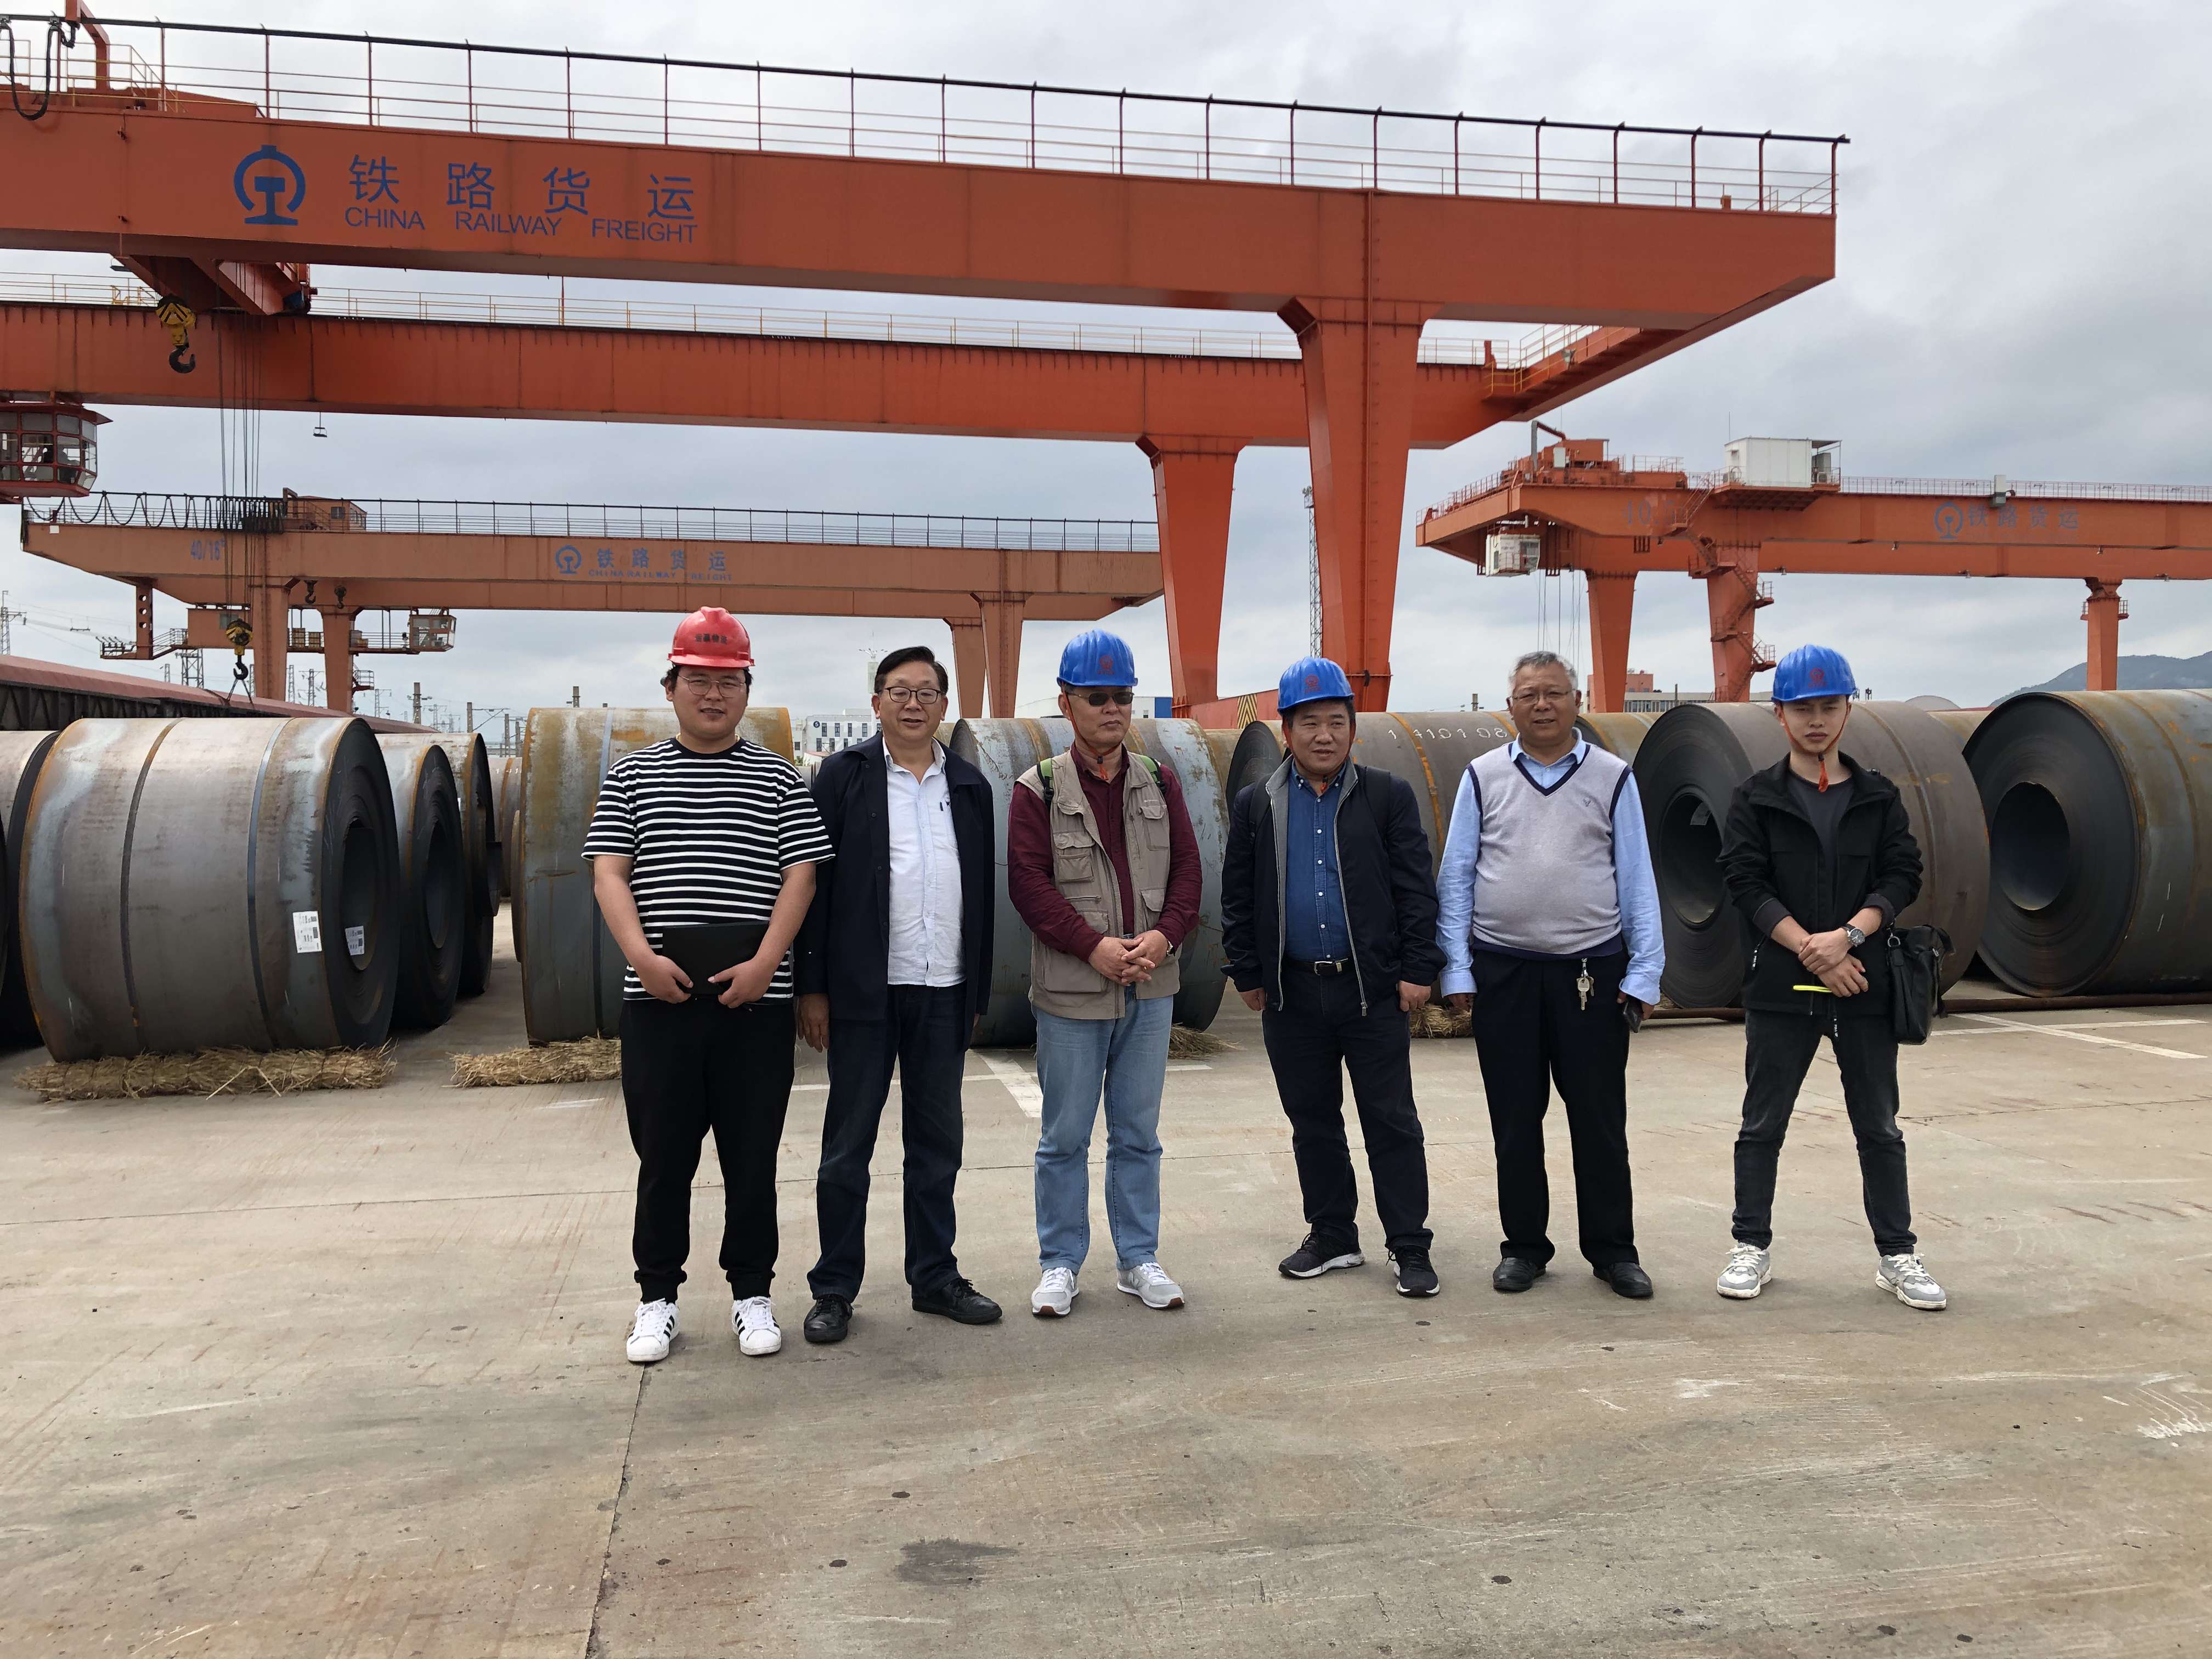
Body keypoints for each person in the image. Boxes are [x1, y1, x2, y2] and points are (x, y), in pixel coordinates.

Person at [586, 608, 833, 1364]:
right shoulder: (632, 776)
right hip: (659, 1005)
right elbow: (609, 874)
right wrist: (641, 958)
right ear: (671, 688)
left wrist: (766, 965)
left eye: (728, 682)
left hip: (756, 1008)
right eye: (698, 680)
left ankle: (752, 1294)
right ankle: (656, 1299)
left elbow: (801, 876)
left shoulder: (779, 777)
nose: (713, 695)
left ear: (747, 691)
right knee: (663, 1160)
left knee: (752, 1160)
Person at [1715, 645, 1945, 1310]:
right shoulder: (1755, 798)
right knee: (1762, 1125)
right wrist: (1812, 949)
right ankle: (1750, 1246)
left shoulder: (1878, 798)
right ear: (1779, 714)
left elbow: (1902, 875)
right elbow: (1745, 881)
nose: (1816, 720)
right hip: (1782, 988)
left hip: (1861, 986)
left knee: (1879, 1127)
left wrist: (1848, 939)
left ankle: (1897, 1255)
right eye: (1802, 708)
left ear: (1848, 710)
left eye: (1828, 706)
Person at [1436, 650, 1663, 1299]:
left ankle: (1614, 1251)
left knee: (1599, 1120)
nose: (1542, 705)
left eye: (1555, 693)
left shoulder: (1613, 777)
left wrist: (1645, 971)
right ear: (1510, 706)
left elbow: (1637, 877)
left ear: (1577, 701)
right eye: (1529, 695)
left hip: (1591, 974)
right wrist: (1457, 968)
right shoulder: (1482, 777)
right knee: (1515, 1121)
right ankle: (1525, 1249)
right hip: (1503, 972)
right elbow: (1456, 878)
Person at [794, 645, 1002, 1343]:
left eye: (927, 692)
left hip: (944, 989)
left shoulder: (969, 786)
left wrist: (977, 993)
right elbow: (815, 888)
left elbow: (981, 896)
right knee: (846, 1149)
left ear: (944, 705)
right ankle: (834, 1288)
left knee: (937, 1148)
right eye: (900, 691)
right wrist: (812, 988)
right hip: (864, 994)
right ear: (877, 702)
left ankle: (935, 1277)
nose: (913, 704)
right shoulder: (842, 777)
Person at [1222, 656, 1444, 1296]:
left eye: (1337, 722)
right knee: (1313, 1120)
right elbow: (1237, 895)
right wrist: (1247, 969)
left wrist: (1417, 969)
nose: (1324, 735)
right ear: (1286, 731)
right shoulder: (1258, 804)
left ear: (1354, 729)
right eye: (1310, 723)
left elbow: (1415, 889)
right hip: (1291, 992)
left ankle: (1409, 1244)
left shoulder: (1387, 796)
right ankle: (1333, 1235)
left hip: (1370, 990)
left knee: (1391, 1120)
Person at [1006, 628, 1202, 1318]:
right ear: (1067, 704)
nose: (1112, 708)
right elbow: (1028, 885)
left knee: (1138, 1135)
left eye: (1122, 696)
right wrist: (1092, 948)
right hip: (1071, 994)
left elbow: (1188, 873)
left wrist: (1164, 936)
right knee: (1064, 1138)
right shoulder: (1038, 788)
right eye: (1097, 697)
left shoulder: (1160, 781)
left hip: (1150, 987)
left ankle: (1138, 1258)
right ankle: (1059, 1263)